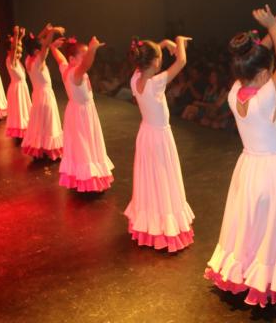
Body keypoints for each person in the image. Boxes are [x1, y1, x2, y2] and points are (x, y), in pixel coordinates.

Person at [204, 5, 276, 307]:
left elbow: (250, 61)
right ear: (264, 72)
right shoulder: (266, 98)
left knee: (249, 224)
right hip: (272, 170)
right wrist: (274, 30)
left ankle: (244, 267)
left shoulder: (234, 90)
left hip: (248, 167)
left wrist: (271, 32)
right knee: (269, 225)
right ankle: (264, 276)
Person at [124, 36, 195, 252]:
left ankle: (149, 221)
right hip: (160, 137)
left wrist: (163, 44)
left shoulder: (135, 79)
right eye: (159, 57)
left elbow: (149, 54)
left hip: (146, 134)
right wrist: (179, 41)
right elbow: (181, 62)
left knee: (150, 178)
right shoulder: (156, 83)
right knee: (163, 177)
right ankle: (165, 224)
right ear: (154, 61)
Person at [49, 35, 114, 192]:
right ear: (72, 59)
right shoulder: (75, 74)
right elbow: (86, 65)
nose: (86, 58)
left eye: (86, 54)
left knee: (81, 145)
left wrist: (53, 48)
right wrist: (92, 49)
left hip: (78, 111)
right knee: (84, 145)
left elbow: (60, 59)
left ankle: (83, 177)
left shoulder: (66, 68)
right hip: (82, 114)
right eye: (82, 55)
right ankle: (88, 181)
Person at [21, 24, 63, 160]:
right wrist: (52, 32)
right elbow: (44, 47)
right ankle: (49, 151)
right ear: (36, 50)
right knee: (48, 124)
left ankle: (42, 150)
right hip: (45, 96)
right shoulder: (38, 61)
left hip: (38, 96)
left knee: (40, 124)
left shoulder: (28, 60)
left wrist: (44, 31)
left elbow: (34, 44)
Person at [5, 26, 32, 139]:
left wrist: (21, 37)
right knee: (19, 111)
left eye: (20, 52)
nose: (19, 54)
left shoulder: (16, 60)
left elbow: (17, 47)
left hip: (22, 87)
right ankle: (19, 133)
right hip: (17, 89)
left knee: (24, 109)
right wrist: (16, 35)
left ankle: (26, 129)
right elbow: (14, 48)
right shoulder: (10, 60)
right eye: (16, 52)